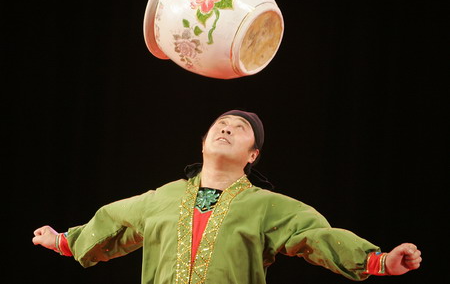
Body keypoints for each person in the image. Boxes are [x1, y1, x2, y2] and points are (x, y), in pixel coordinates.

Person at [33, 110, 422, 283]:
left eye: (240, 128)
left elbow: (317, 237)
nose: (227, 129)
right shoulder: (163, 198)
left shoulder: (268, 206)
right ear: (203, 142)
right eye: (220, 124)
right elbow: (112, 222)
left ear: (253, 155)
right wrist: (63, 241)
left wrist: (381, 261)